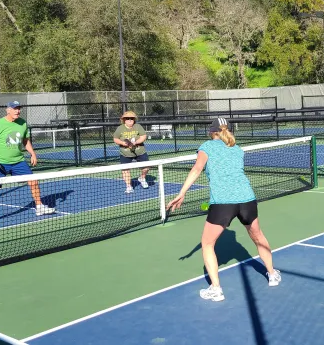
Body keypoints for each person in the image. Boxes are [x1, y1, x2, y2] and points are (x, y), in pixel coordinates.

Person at [167, 117, 281, 301]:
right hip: (247, 200)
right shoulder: (236, 148)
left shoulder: (207, 146)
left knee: (207, 244)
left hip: (223, 203)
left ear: (211, 132)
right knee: (259, 237)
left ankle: (216, 289)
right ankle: (273, 274)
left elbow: (197, 169)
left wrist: (182, 193)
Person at [0, 101, 56, 228]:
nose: (17, 111)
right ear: (8, 110)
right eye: (15, 109)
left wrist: (33, 154)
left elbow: (26, 141)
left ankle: (39, 207)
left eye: (19, 109)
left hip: (18, 161)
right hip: (0, 163)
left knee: (33, 181)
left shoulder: (22, 123)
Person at [112, 111, 150, 194]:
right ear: (124, 120)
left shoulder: (138, 126)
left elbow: (143, 136)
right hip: (125, 153)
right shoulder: (120, 128)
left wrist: (136, 142)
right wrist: (123, 143)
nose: (129, 120)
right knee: (125, 170)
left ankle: (142, 178)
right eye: (127, 118)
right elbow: (115, 139)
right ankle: (129, 186)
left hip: (140, 151)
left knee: (146, 167)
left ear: (134, 119)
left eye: (131, 118)